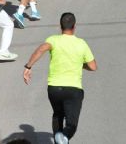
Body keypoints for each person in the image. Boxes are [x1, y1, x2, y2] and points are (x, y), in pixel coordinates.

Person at [23, 12, 97, 144]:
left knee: (58, 115)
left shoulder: (53, 40)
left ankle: (60, 139)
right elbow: (93, 66)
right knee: (71, 124)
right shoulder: (81, 43)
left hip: (54, 89)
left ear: (60, 26)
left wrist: (28, 67)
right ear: (74, 26)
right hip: (73, 89)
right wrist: (80, 64)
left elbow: (41, 49)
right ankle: (64, 137)